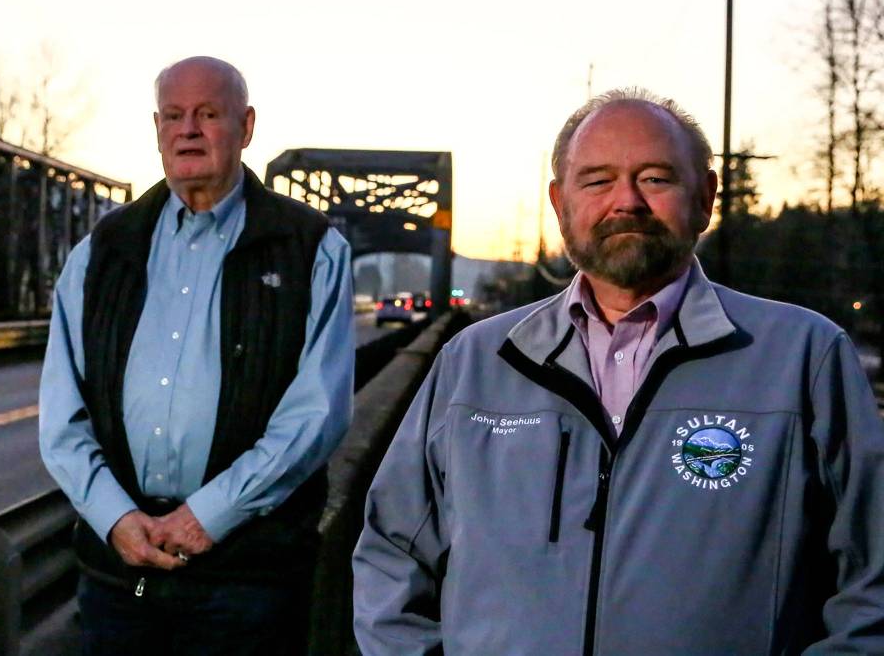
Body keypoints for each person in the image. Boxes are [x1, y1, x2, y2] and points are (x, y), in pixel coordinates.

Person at [352, 88, 884, 654]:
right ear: (560, 204)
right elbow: (392, 556)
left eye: (655, 178)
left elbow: (872, 583)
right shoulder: (475, 363)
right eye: (597, 181)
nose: (626, 201)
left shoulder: (803, 357)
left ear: (705, 198)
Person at [39, 56, 354, 655]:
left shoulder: (310, 248)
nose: (188, 129)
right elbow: (61, 412)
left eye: (208, 114)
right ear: (157, 128)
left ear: (246, 126)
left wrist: (208, 516)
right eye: (174, 115)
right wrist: (114, 518)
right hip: (120, 576)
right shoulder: (102, 251)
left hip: (247, 579)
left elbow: (317, 415)